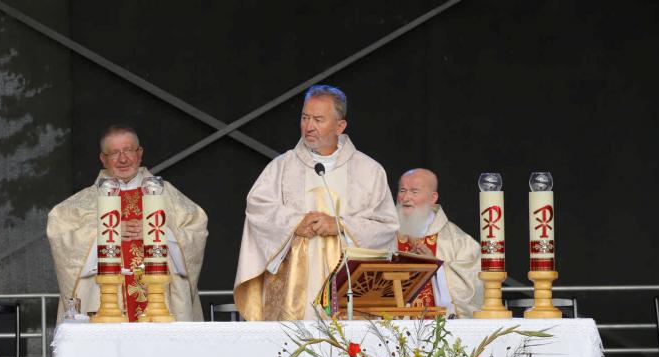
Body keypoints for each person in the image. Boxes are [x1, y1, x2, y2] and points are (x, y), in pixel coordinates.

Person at [233, 85, 399, 321]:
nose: (309, 126)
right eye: (305, 118)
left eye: (318, 120)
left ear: (340, 126)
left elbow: (386, 226)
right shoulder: (282, 167)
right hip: (293, 291)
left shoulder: (369, 171)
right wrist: (294, 223)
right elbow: (258, 208)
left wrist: (341, 225)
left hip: (349, 290)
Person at [47, 124, 208, 322]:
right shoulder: (81, 204)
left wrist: (159, 232)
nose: (123, 159)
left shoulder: (167, 195)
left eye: (128, 150)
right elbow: (61, 240)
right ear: (103, 159)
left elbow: (196, 231)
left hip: (162, 307)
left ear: (140, 153)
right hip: (104, 309)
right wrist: (106, 232)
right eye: (114, 153)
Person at [396, 168, 483, 318]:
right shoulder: (385, 235)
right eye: (402, 191)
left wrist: (438, 267)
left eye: (414, 191)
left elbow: (473, 287)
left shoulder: (458, 241)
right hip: (392, 327)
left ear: (433, 198)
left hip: (440, 327)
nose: (405, 197)